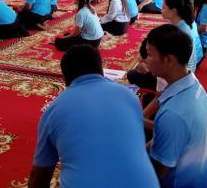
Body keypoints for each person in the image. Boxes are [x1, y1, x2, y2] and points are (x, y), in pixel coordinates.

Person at [29, 45, 159, 188]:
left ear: (65, 79)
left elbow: (39, 178)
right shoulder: (130, 96)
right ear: (102, 71)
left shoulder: (54, 110)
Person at [146, 24, 207, 188]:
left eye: (149, 55)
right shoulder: (193, 84)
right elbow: (164, 133)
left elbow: (156, 174)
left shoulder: (173, 115)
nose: (146, 60)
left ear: (168, 60)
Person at [161, 0, 198, 72]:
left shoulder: (181, 31)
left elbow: (172, 59)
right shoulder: (181, 21)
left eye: (163, 8)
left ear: (173, 11)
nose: (161, 10)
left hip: (181, 72)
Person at [178, 0, 204, 65]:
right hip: (198, 57)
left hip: (189, 65)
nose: (161, 10)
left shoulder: (181, 25)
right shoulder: (190, 18)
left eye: (164, 7)